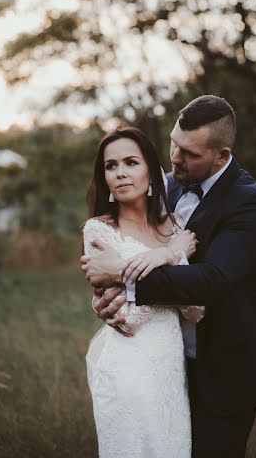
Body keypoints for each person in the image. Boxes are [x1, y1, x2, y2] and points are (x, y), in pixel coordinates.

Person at [82, 95, 256, 458]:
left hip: (222, 372)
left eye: (189, 153)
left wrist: (126, 280)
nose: (175, 158)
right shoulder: (165, 186)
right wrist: (106, 296)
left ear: (222, 156)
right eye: (174, 143)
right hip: (162, 365)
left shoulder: (252, 205)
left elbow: (213, 280)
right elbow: (128, 237)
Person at [82, 125, 204, 458]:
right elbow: (128, 316)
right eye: (111, 166)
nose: (120, 173)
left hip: (169, 373)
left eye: (130, 162)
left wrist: (143, 267)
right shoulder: (99, 231)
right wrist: (173, 258)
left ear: (151, 170)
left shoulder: (176, 226)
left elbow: (196, 308)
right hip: (125, 372)